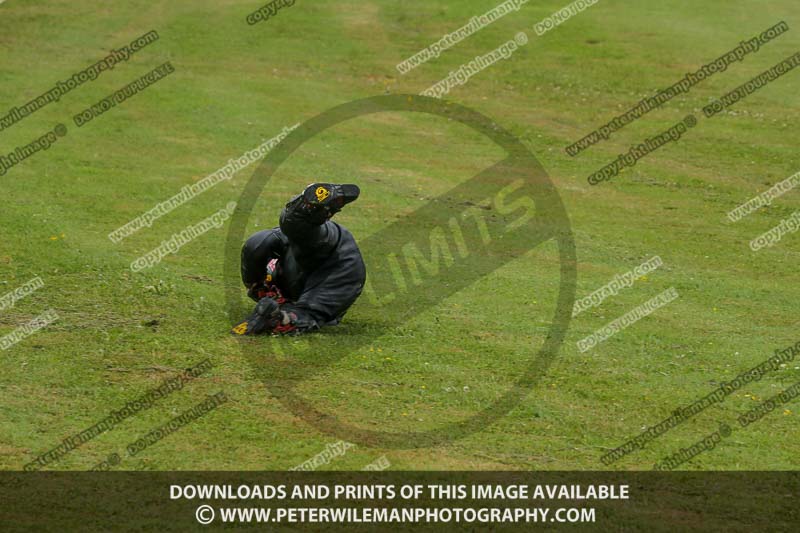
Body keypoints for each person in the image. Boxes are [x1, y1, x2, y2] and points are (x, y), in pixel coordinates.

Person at [232, 183, 366, 335]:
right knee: (266, 241)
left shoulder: (275, 242)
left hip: (340, 269)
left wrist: (277, 315)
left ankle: (280, 319)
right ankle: (313, 208)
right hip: (313, 254)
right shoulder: (271, 244)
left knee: (306, 314)